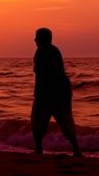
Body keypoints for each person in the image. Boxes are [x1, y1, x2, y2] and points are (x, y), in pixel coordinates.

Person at [31, 28, 82, 157]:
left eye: (37, 37)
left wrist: (47, 92)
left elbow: (50, 72)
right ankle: (76, 150)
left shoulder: (43, 52)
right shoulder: (53, 50)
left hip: (49, 92)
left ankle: (39, 150)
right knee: (65, 121)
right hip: (59, 91)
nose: (35, 39)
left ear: (43, 39)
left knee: (38, 120)